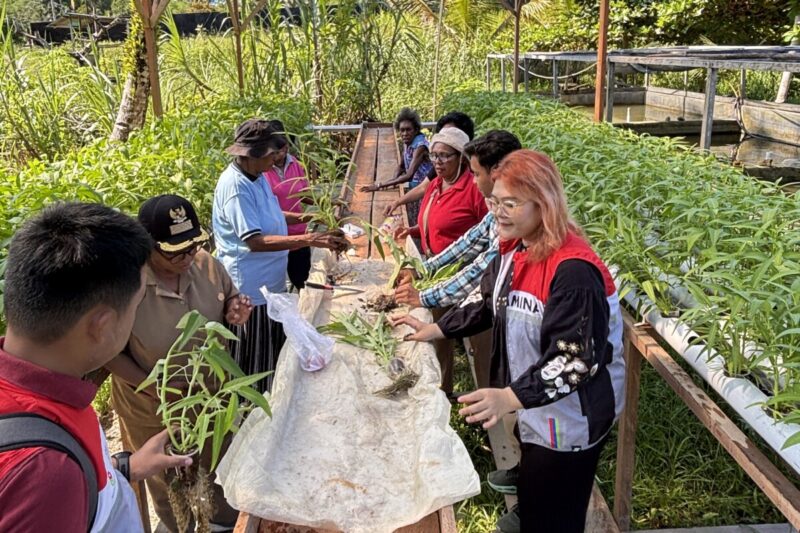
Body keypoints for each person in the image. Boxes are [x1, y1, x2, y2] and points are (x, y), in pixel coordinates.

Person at [391, 150, 626, 533]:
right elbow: (487, 302)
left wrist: (508, 398)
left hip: (572, 421)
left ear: (544, 204)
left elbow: (575, 362)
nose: (498, 212)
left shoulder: (573, 272)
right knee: (536, 491)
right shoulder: (515, 249)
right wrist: (436, 329)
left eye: (511, 203)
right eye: (494, 201)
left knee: (557, 514)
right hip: (537, 406)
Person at [0, 202, 194, 533]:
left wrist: (123, 469)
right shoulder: (44, 474)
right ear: (101, 326)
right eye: (135, 307)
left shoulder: (54, 395)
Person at [104, 195, 251, 532]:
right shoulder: (127, 286)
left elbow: (228, 297)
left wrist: (235, 308)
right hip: (151, 403)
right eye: (175, 251)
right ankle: (179, 525)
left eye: (194, 245)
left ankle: (224, 523)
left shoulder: (206, 264)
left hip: (210, 394)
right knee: (167, 475)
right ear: (147, 246)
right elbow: (109, 352)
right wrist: (154, 386)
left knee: (217, 464)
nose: (188, 256)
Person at [213, 118, 348, 393]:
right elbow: (255, 241)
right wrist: (310, 238)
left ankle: (270, 401)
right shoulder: (236, 189)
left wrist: (308, 216)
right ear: (250, 156)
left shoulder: (257, 177)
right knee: (253, 359)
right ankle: (252, 414)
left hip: (270, 283)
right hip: (250, 289)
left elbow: (273, 215)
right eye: (270, 154)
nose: (275, 159)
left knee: (272, 354)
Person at [394, 130, 522, 389]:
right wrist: (421, 269)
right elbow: (467, 243)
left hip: (510, 309)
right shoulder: (498, 209)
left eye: (475, 173)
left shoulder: (516, 215)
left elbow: (482, 267)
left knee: (506, 370)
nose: (473, 181)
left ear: (496, 172)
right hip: (488, 298)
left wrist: (424, 295)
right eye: (434, 156)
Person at [382, 111, 476, 219]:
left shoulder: (475, 183)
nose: (438, 161)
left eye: (451, 135)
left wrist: (381, 185)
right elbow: (423, 187)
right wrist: (397, 203)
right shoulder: (439, 177)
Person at [360, 108, 433, 226]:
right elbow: (401, 165)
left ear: (415, 130)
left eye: (408, 130)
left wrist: (380, 185)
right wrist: (393, 181)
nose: (404, 134)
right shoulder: (407, 142)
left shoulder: (420, 146)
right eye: (402, 130)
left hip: (425, 188)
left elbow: (409, 175)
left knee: (420, 221)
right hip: (415, 187)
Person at [263, 119, 313, 290]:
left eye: (281, 149)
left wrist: (325, 205)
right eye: (273, 152)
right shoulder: (262, 171)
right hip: (275, 236)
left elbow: (304, 194)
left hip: (299, 232)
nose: (277, 155)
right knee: (276, 285)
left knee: (303, 282)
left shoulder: (296, 165)